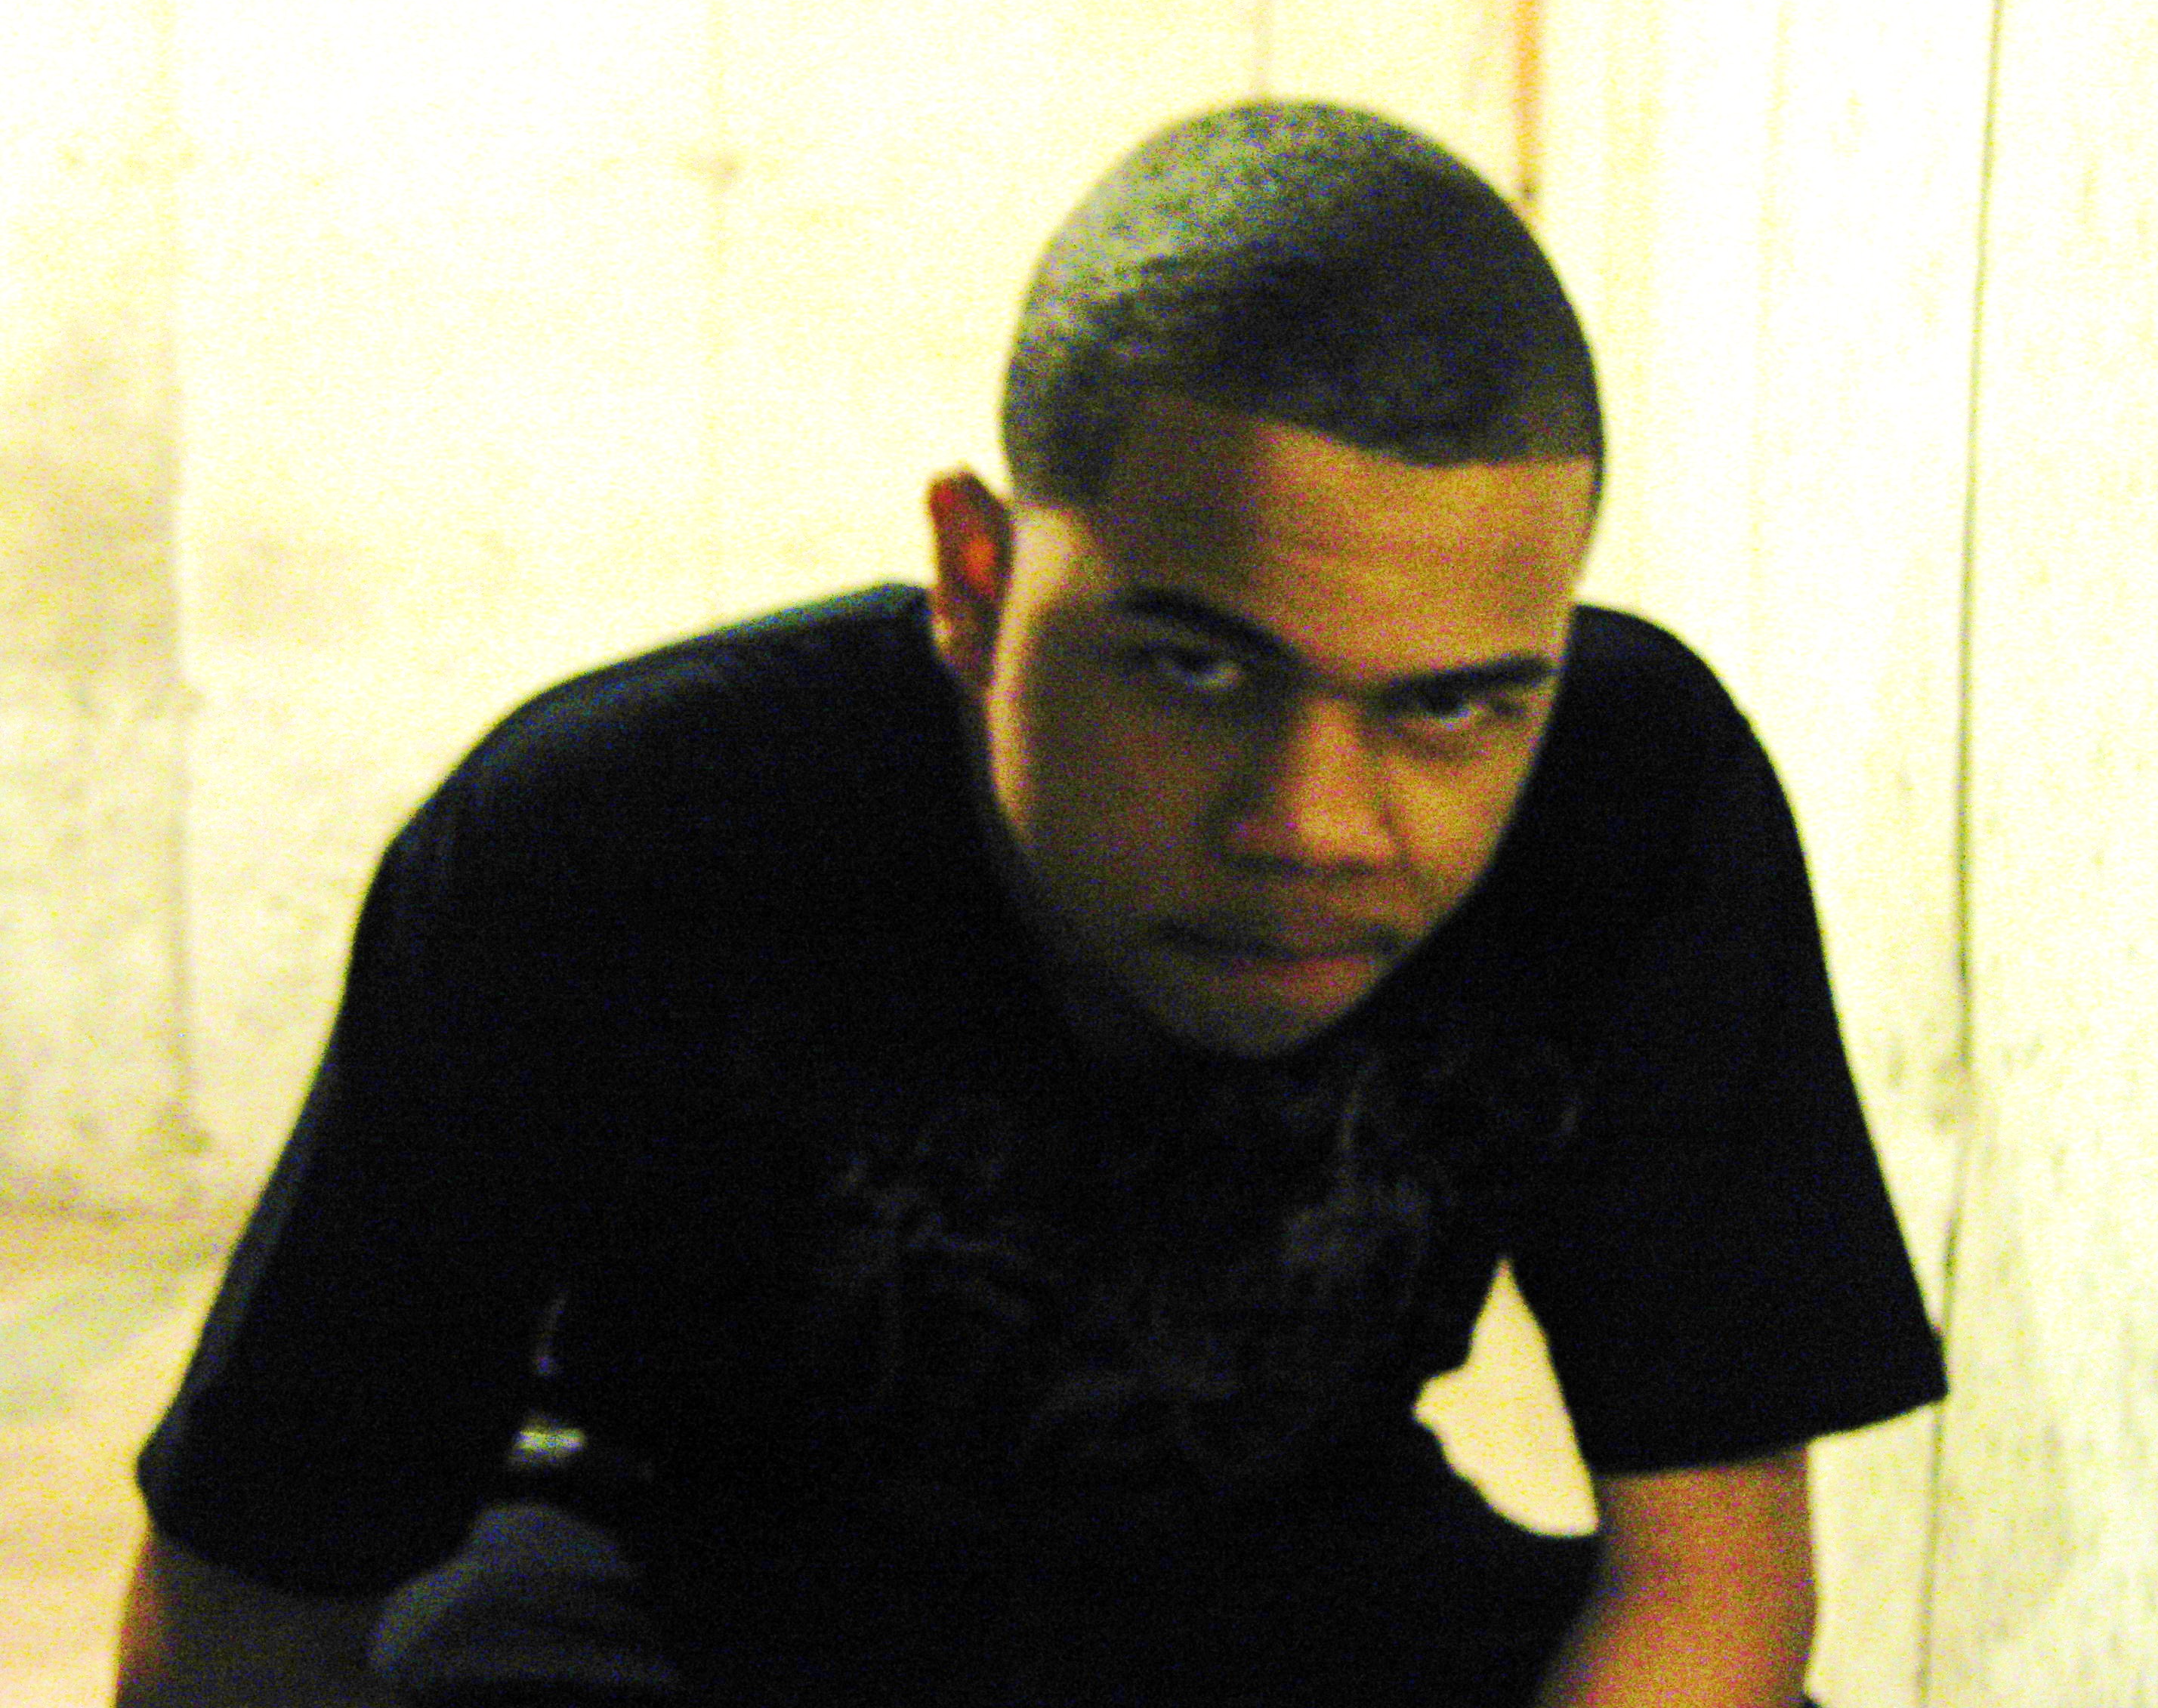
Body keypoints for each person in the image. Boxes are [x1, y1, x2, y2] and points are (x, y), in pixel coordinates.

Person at [116, 102, 1944, 1708]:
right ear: (975, 582)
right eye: (1196, 670)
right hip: (689, 1580)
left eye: (1452, 707)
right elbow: (250, 1610)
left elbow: (1713, 1577)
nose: (1315, 828)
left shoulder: (1636, 800)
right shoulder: (614, 840)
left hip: (1296, 1579)